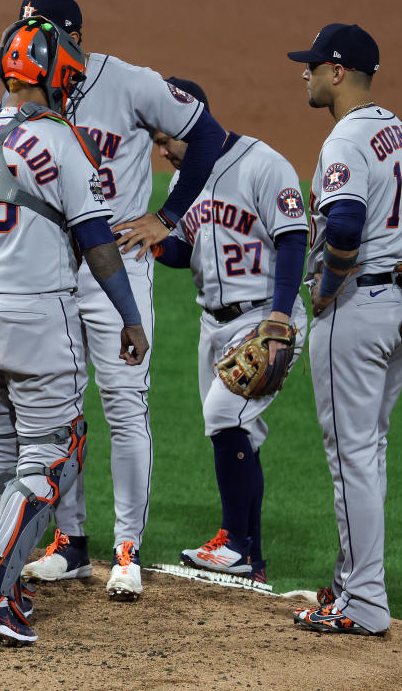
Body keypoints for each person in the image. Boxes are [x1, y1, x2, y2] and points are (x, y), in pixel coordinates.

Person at [0, 17, 149, 645]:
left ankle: (5, 579)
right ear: (60, 75)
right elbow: (98, 244)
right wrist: (129, 316)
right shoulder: (65, 143)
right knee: (55, 454)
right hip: (35, 320)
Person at [10, 0, 227, 602]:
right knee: (58, 410)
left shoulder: (130, 83)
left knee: (125, 405)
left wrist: (170, 216)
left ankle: (126, 548)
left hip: (120, 268)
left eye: (40, 33)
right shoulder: (26, 95)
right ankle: (71, 544)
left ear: (71, 37)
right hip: (48, 272)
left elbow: (208, 135)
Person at [286, 24, 402, 635]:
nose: (304, 75)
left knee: (352, 456)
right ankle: (351, 582)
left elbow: (343, 226)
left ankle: (363, 600)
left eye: (312, 66)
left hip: (357, 313)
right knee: (370, 448)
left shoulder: (344, 141)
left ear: (338, 72)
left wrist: (326, 289)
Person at [148, 78, 308, 585]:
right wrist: (145, 242)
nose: (161, 150)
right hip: (211, 324)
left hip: (264, 317)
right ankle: (253, 562)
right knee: (238, 432)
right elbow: (184, 250)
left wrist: (279, 317)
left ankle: (235, 543)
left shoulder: (264, 165)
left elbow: (293, 240)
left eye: (164, 138)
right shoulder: (184, 183)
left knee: (223, 416)